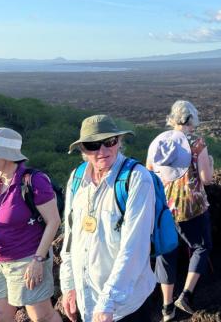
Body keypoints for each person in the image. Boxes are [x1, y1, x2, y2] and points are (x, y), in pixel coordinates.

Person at [60, 115, 156, 322]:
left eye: (109, 142)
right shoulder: (77, 179)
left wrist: (108, 301)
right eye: (93, 145)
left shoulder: (137, 178)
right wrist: (69, 285)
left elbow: (135, 247)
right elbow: (70, 239)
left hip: (126, 305)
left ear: (119, 142)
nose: (102, 151)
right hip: (88, 302)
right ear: (83, 150)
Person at [0, 128, 62, 322]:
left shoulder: (34, 181)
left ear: (7, 156)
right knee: (0, 315)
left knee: (41, 316)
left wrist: (38, 260)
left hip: (27, 257)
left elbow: (53, 221)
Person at [146, 100, 214, 321]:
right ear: (191, 119)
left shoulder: (159, 142)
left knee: (166, 254)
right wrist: (210, 163)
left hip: (164, 208)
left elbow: (149, 173)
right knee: (201, 246)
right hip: (191, 206)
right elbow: (207, 179)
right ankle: (185, 295)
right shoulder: (196, 142)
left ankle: (167, 308)